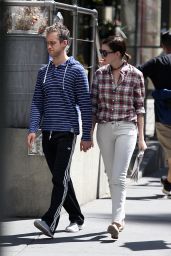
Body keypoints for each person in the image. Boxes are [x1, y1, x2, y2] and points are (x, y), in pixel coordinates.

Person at [27, 23, 92, 238]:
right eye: (48, 43)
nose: (49, 47)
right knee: (60, 177)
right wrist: (33, 128)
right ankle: (77, 217)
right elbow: (37, 101)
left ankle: (49, 221)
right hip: (48, 132)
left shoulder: (77, 71)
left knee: (59, 178)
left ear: (65, 43)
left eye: (53, 43)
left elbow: (85, 104)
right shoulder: (43, 72)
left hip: (67, 131)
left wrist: (87, 135)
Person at [91, 35, 147, 239]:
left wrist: (141, 138)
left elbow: (140, 109)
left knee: (118, 176)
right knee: (110, 174)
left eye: (105, 52)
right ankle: (120, 216)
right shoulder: (99, 74)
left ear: (117, 54)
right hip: (105, 128)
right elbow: (94, 106)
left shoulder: (136, 75)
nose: (102, 55)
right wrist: (89, 133)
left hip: (127, 128)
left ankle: (116, 220)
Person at [138, 30, 171, 196]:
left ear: (162, 45)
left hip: (164, 115)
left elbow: (137, 73)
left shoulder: (158, 62)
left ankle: (169, 184)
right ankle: (169, 184)